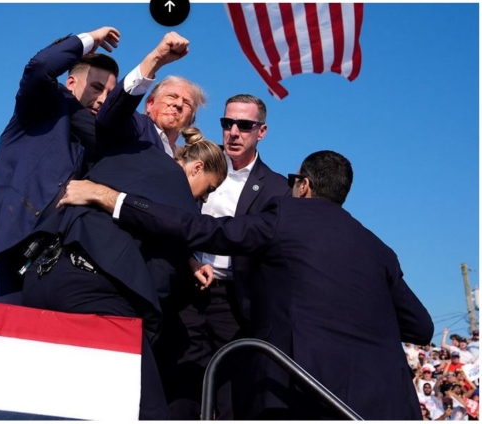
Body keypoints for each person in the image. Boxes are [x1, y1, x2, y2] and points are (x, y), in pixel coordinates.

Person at [59, 149, 435, 420]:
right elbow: (421, 326)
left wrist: (112, 198)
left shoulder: (285, 217)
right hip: (388, 405)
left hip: (301, 395)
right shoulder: (378, 248)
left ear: (303, 185)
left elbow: (200, 228)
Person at [24, 127, 227, 420]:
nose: (205, 199)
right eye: (208, 189)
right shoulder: (183, 201)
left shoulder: (135, 152)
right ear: (197, 168)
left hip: (41, 277)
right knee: (148, 409)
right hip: (95, 297)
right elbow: (160, 278)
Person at [0, 27, 120, 305]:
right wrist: (89, 39)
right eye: (96, 87)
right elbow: (40, 66)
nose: (102, 99)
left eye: (109, 94)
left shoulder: (95, 143)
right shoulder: (39, 109)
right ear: (71, 83)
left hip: (42, 270)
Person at [164, 94, 290, 420]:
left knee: (232, 394)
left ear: (261, 132)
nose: (233, 132)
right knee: (180, 387)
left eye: (244, 125)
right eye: (227, 123)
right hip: (185, 289)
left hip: (235, 302)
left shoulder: (277, 188)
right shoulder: (193, 164)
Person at [94, 31, 206, 157]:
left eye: (187, 103)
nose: (178, 104)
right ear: (150, 104)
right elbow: (111, 116)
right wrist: (156, 58)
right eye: (171, 96)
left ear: (191, 120)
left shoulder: (186, 160)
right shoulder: (136, 126)